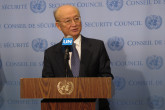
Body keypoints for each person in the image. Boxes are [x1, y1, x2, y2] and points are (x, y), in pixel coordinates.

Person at [42, 5, 114, 110]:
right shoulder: (51, 53)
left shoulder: (97, 46)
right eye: (68, 21)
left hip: (93, 105)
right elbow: (47, 84)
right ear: (58, 26)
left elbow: (106, 76)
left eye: (76, 18)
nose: (74, 24)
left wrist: (85, 88)